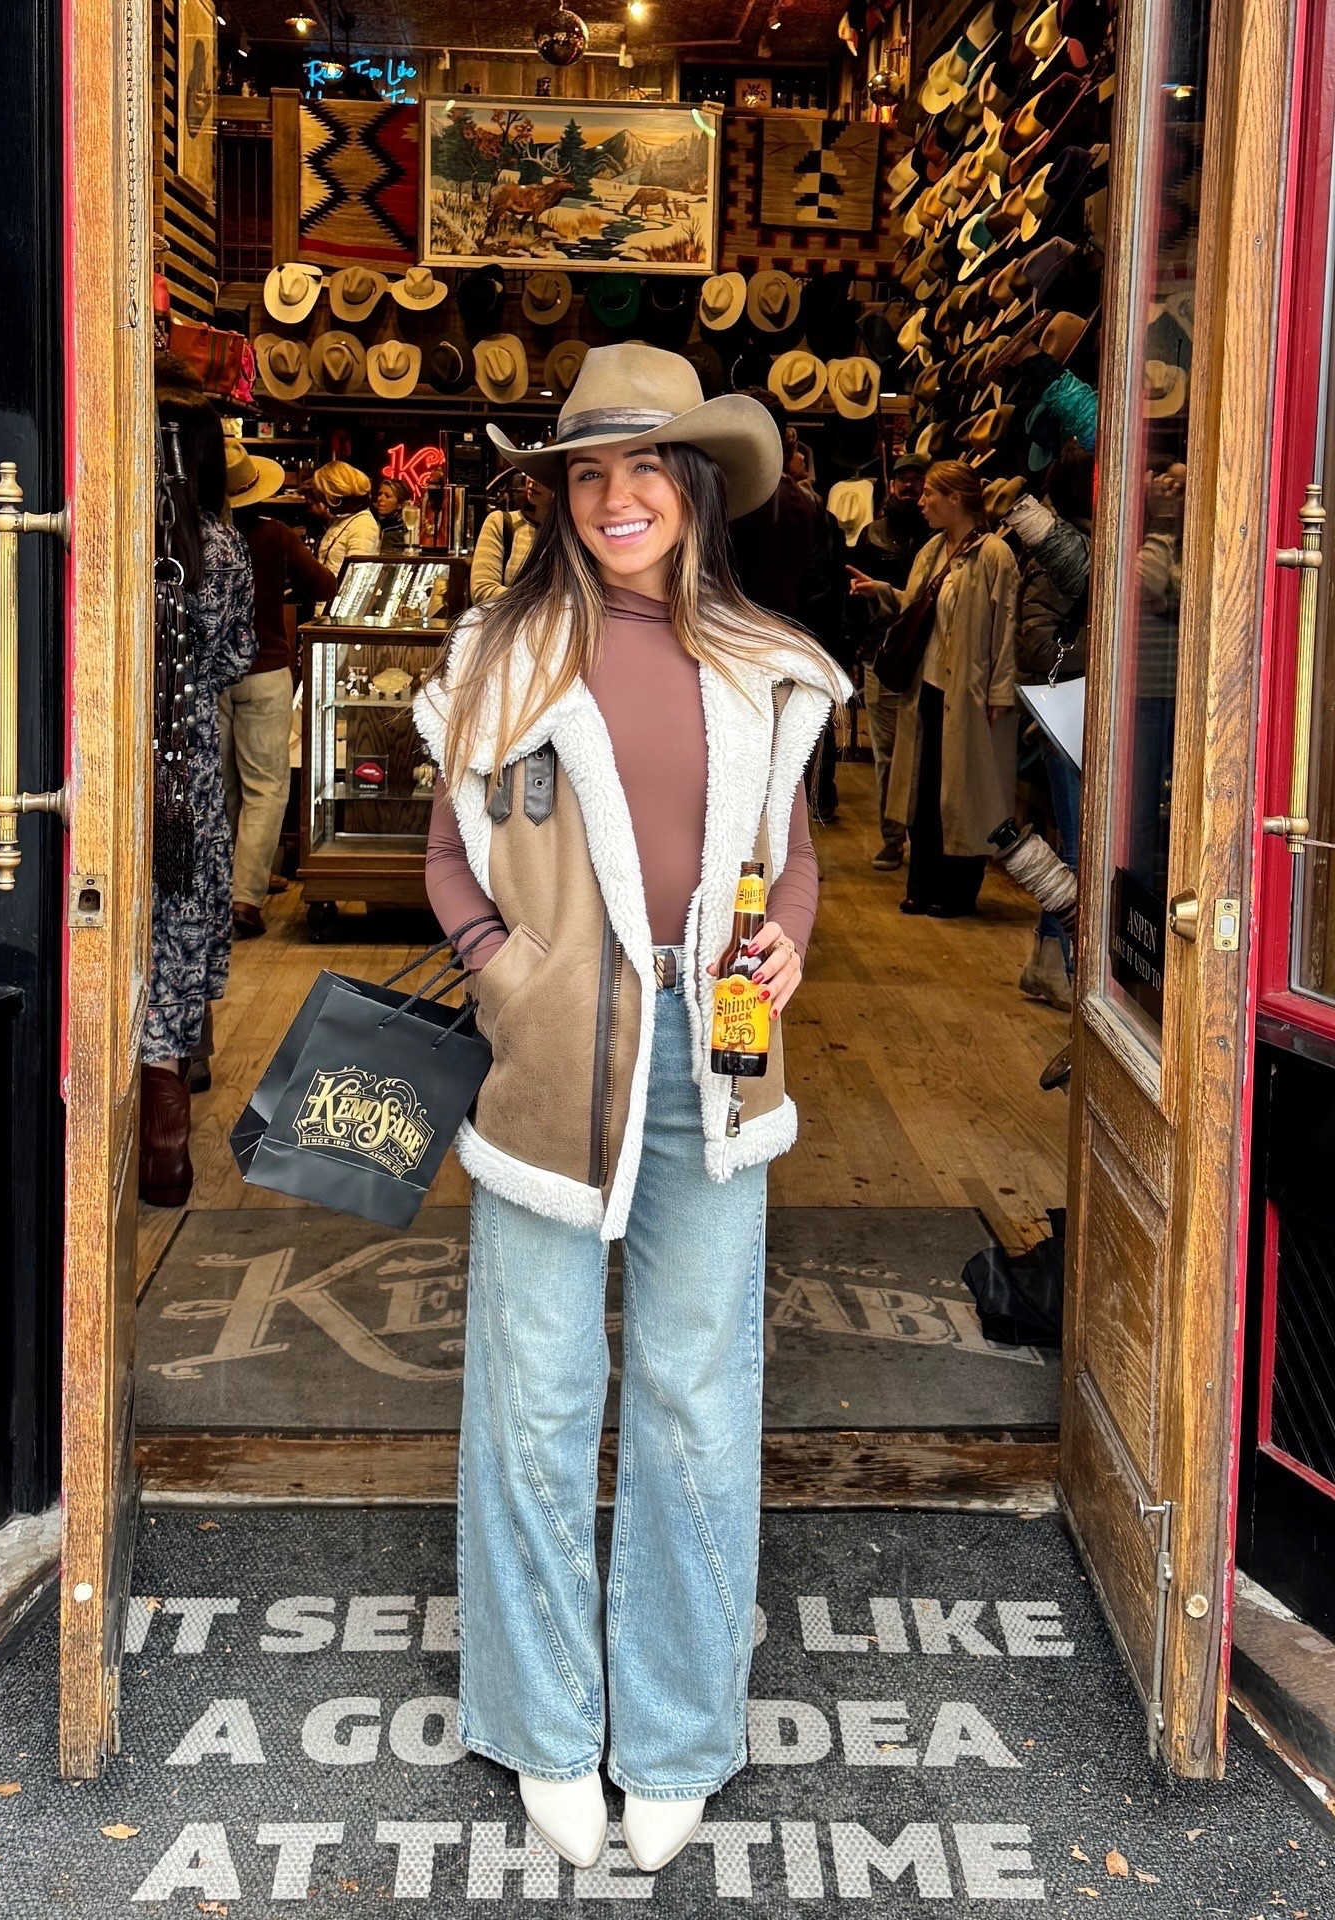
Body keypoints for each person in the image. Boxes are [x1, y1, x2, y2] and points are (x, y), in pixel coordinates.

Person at [415, 343, 849, 1876]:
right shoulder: (502, 656)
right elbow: (450, 852)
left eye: (646, 470)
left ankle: (672, 1728)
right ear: (562, 498)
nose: (619, 499)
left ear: (697, 491)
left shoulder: (762, 659)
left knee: (692, 1395)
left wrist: (790, 931)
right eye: (590, 473)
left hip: (716, 1065)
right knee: (536, 1399)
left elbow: (788, 852)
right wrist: (501, 970)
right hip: (550, 1065)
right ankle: (545, 1723)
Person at [141, 395, 255, 1205]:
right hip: (190, 772)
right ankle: (167, 1150)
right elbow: (236, 655)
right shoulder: (224, 547)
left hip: (120, 770)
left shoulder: (122, 545)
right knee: (178, 948)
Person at [852, 459, 1018, 917]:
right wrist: (881, 592)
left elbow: (1006, 626)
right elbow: (915, 607)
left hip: (967, 693)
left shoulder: (993, 556)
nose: (921, 502)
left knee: (964, 794)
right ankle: (922, 884)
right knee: (924, 793)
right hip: (926, 688)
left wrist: (1000, 690)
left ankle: (958, 890)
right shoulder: (931, 550)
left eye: (930, 494)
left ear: (955, 498)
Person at [222, 442, 337, 940]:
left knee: (222, 785)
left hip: (212, 673)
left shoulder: (199, 536)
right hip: (266, 670)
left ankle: (216, 891)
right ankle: (244, 898)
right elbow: (326, 586)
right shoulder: (276, 536)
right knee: (265, 787)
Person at [729, 391, 849, 818]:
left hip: (725, 655)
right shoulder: (810, 508)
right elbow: (823, 600)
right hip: (789, 655)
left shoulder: (717, 501)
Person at [1006, 448, 1095, 1010]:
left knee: (1076, 841)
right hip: (1072, 707)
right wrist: (1107, 648)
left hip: (1074, 709)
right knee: (1082, 844)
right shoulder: (1061, 560)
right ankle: (1067, 967)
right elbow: (1039, 644)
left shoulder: (1076, 550)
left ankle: (1047, 961)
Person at [848, 453, 931, 870]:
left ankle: (921, 835)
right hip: (882, 655)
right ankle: (893, 837)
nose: (911, 486)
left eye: (919, 479)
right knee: (887, 754)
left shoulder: (937, 538)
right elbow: (856, 598)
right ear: (893, 485)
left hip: (926, 656)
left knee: (921, 752)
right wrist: (857, 651)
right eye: (905, 479)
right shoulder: (873, 535)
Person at [469, 471, 553, 602]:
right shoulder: (501, 522)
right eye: (531, 471)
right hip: (509, 621)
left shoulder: (576, 535)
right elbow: (482, 591)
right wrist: (548, 603)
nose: (533, 480)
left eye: (544, 475)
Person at [310, 461, 381, 573]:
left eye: (323, 494)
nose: (323, 499)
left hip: (338, 590)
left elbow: (357, 574)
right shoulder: (341, 520)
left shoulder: (363, 524)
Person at [373, 474, 413, 550]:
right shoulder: (372, 521)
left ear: (399, 505)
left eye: (387, 496)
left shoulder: (400, 532)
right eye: (380, 494)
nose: (380, 499)